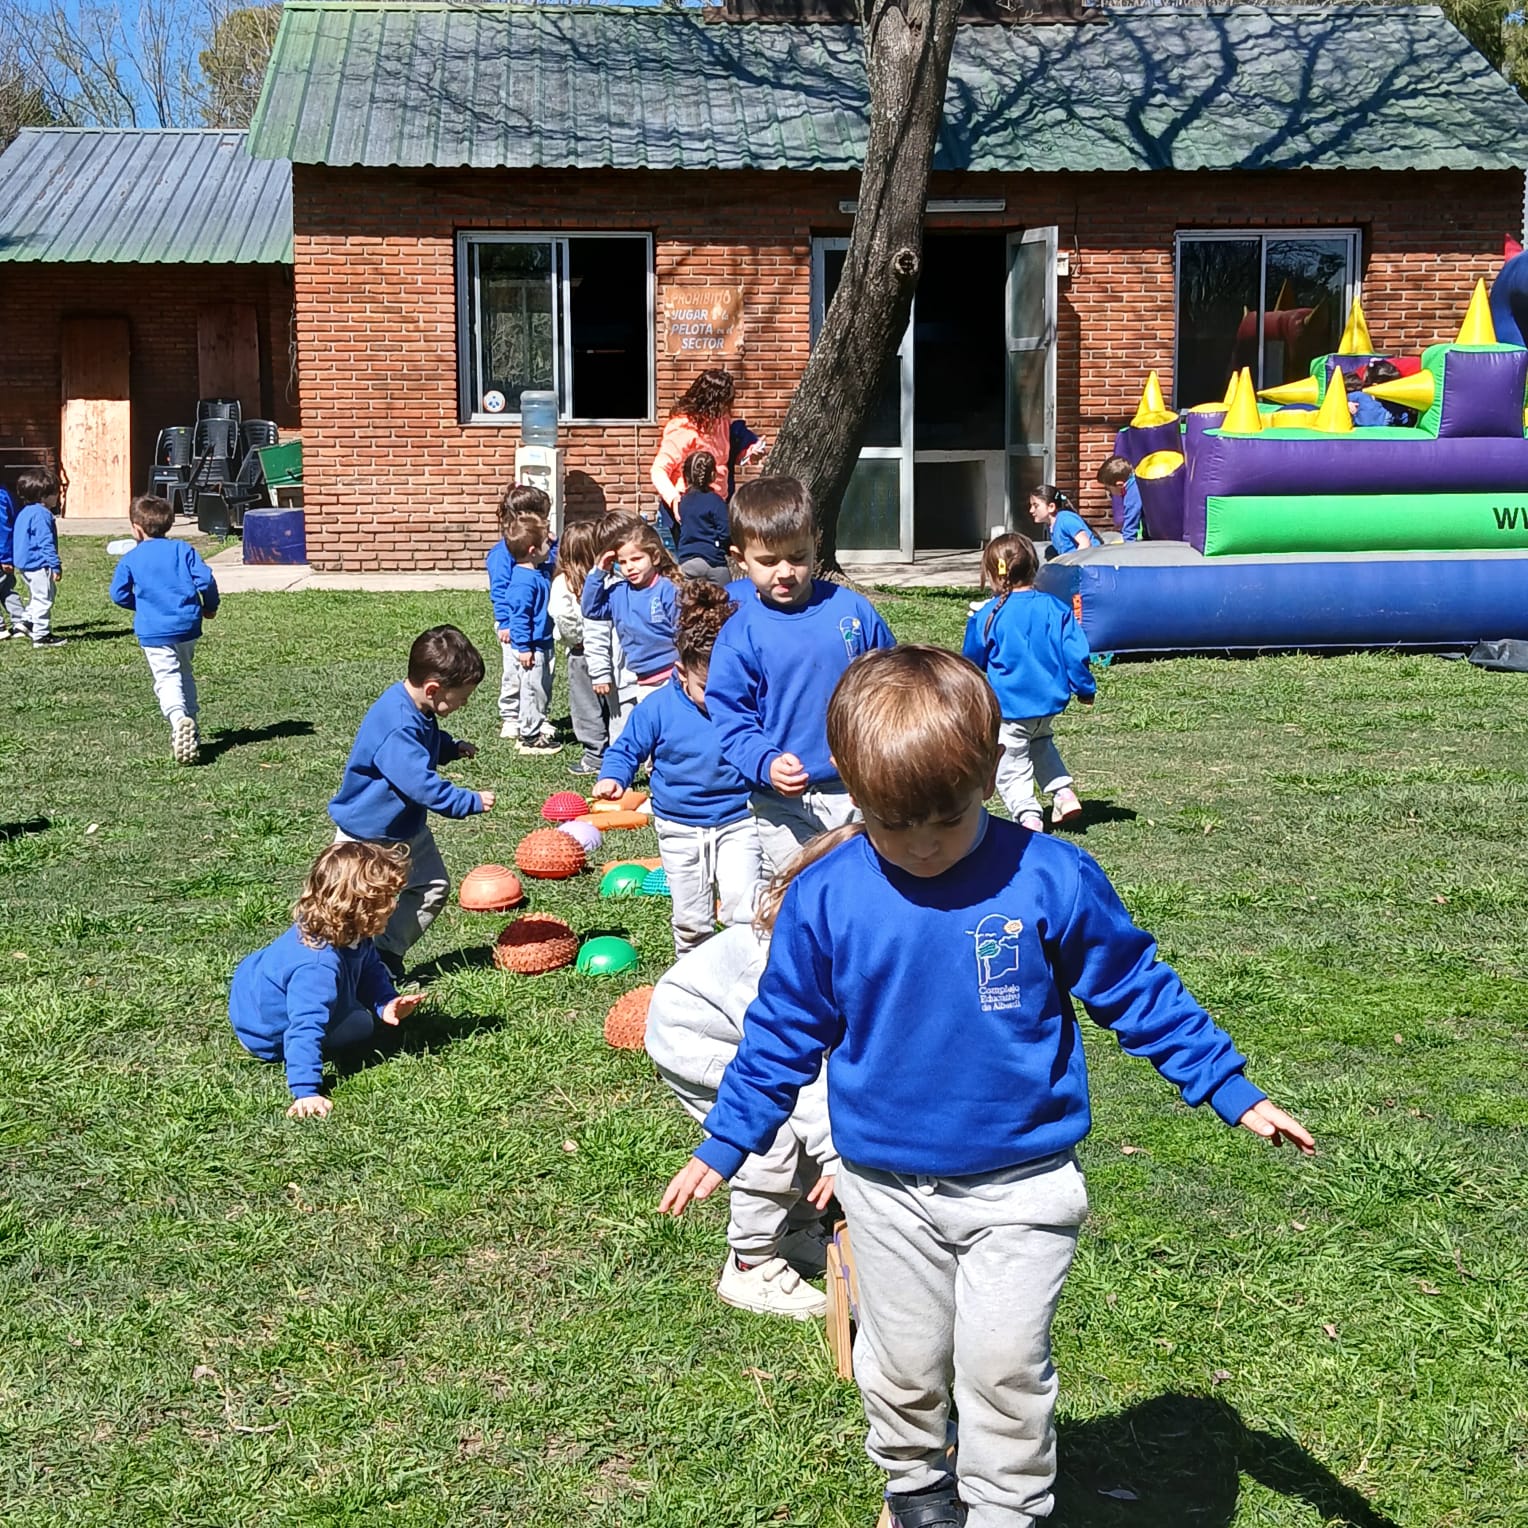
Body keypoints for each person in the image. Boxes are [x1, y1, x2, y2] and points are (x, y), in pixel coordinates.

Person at [660, 645, 1316, 1528]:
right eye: (895, 825)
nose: (924, 847)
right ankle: (918, 1487)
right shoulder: (828, 897)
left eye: (947, 819)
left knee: (1005, 1365)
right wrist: (725, 1141)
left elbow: (1136, 989)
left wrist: (1230, 1087)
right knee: (903, 1361)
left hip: (1024, 1182)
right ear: (853, 792)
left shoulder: (1048, 878)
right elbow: (781, 1033)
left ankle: (1009, 1506)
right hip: (887, 1187)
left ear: (982, 779)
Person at [646, 920, 836, 1318]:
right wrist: (835, 1153)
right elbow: (782, 1065)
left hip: (758, 1041)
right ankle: (750, 1263)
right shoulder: (768, 963)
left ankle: (797, 1231)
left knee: (816, 1112)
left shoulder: (829, 939)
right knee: (769, 1133)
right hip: (699, 1038)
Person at [705, 476, 895, 874]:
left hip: (859, 790)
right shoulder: (741, 633)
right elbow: (731, 717)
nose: (786, 572)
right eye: (769, 561)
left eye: (799, 556)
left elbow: (892, 684)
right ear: (740, 559)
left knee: (865, 882)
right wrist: (764, 761)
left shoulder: (852, 612)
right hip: (781, 802)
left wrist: (876, 749)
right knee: (802, 889)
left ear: (815, 542)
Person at [594, 580, 761, 955]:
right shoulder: (657, 709)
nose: (719, 696)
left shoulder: (746, 703)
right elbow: (626, 749)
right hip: (680, 825)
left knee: (744, 905)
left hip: (740, 819)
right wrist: (613, 776)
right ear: (681, 672)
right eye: (707, 687)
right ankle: (693, 977)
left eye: (727, 684)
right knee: (691, 917)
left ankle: (744, 972)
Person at [328, 625, 494, 976]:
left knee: (432, 887)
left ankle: (384, 955)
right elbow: (421, 784)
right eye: (462, 697)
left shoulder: (416, 707)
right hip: (368, 837)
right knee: (353, 909)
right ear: (433, 689)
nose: (464, 704)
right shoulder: (398, 725)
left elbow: (425, 738)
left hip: (405, 829)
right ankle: (336, 972)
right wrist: (469, 801)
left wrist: (449, 747)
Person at [229, 841, 425, 1118]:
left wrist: (385, 1002)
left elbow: (370, 969)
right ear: (360, 907)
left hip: (251, 991)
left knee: (358, 1006)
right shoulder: (317, 966)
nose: (394, 907)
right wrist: (306, 1091)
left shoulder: (347, 932)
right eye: (388, 900)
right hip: (264, 1033)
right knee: (360, 1023)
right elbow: (305, 1027)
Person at [963, 533, 1094, 832]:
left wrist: (974, 623)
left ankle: (1027, 815)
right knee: (1041, 742)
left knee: (1012, 760)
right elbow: (1075, 654)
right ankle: (1063, 792)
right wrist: (1085, 688)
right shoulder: (1055, 608)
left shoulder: (989, 613)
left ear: (993, 572)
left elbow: (973, 658)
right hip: (1047, 704)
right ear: (1033, 566)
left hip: (1010, 707)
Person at [108, 494, 221, 764]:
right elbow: (205, 579)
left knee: (167, 678)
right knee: (184, 672)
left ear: (136, 527)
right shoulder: (183, 550)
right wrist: (210, 605)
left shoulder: (131, 559)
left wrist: (142, 605)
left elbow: (118, 594)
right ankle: (191, 725)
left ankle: (177, 718)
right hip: (187, 626)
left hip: (154, 630)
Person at [650, 369, 763, 550]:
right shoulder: (683, 427)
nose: (729, 408)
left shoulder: (722, 421)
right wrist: (674, 499)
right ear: (712, 402)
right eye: (725, 403)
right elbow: (659, 470)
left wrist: (748, 452)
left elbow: (724, 456)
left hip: (715, 507)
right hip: (686, 513)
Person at [488, 485, 558, 754]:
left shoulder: (538, 555)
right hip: (516, 626)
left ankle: (535, 716)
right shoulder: (503, 555)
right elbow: (503, 592)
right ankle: (512, 717)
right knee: (516, 675)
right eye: (542, 517)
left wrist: (552, 542)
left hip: (537, 628)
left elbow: (553, 561)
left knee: (537, 678)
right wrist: (504, 623)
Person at [580, 518, 680, 704]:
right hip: (643, 680)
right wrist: (599, 571)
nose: (629, 567)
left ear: (655, 557)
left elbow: (683, 633)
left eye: (636, 559)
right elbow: (590, 609)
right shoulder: (619, 593)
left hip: (672, 675)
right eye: (622, 562)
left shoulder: (667, 589)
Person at [549, 518, 611, 777]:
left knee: (586, 705)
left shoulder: (564, 583)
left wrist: (576, 639)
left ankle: (595, 756)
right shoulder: (610, 577)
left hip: (582, 652)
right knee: (613, 703)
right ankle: (620, 748)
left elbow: (562, 617)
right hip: (610, 648)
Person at [586, 511, 643, 746]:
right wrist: (600, 672)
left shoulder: (653, 585)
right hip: (622, 679)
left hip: (653, 674)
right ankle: (618, 772)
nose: (629, 566)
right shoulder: (607, 591)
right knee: (622, 728)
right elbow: (594, 632)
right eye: (622, 558)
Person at [12, 465, 65, 648]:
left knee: (37, 595)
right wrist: (55, 565)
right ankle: (41, 635)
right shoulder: (42, 515)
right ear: (43, 496)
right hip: (39, 564)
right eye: (55, 493)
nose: (57, 497)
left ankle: (25, 623)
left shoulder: (25, 512)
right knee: (45, 597)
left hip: (25, 565)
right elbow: (45, 543)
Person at [674, 450, 732, 585]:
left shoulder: (683, 502)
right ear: (713, 475)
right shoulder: (716, 501)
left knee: (688, 604)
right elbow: (725, 532)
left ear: (685, 476)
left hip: (687, 563)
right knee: (724, 602)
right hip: (713, 562)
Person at [1034, 484, 1096, 558]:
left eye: (1035, 506)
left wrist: (1072, 564)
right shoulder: (1051, 525)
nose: (1031, 510)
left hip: (1092, 561)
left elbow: (1085, 543)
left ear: (1051, 507)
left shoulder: (1066, 519)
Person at [1351, 360, 1415, 427]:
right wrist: (1347, 405)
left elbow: (1406, 422)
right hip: (1360, 436)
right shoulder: (1359, 397)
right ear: (1375, 386)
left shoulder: (1395, 405)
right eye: (1391, 386)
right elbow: (1340, 400)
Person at [0, 478, 26, 638]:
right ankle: (21, 621)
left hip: (2, 554)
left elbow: (3, 530)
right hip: (6, 553)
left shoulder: (2, 497)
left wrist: (5, 557)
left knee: (5, 589)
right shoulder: (6, 494)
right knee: (6, 591)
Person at [1094, 457, 1141, 541]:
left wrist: (1127, 546)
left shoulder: (1132, 493)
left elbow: (1131, 522)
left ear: (1119, 485)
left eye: (1108, 488)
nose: (1109, 492)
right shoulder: (1138, 481)